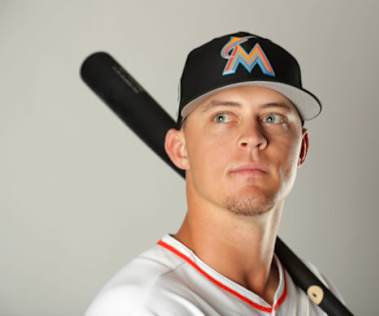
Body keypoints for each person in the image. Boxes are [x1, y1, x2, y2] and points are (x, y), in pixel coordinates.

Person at [85, 31, 342, 316]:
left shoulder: (315, 295)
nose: (252, 137)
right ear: (179, 148)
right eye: (222, 117)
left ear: (302, 148)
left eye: (273, 117)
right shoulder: (141, 306)